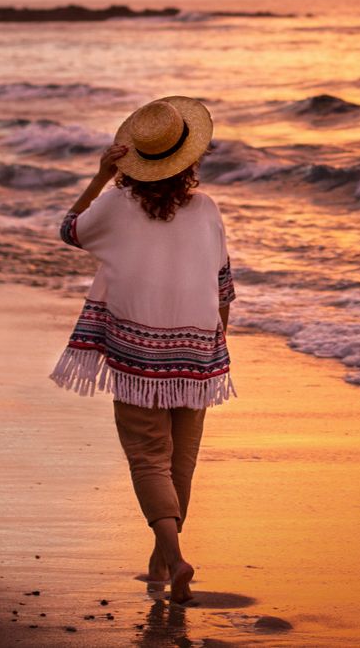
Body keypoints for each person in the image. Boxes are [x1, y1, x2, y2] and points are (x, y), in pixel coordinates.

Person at [49, 96, 236, 607]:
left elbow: (69, 230)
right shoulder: (206, 209)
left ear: (133, 162)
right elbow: (223, 285)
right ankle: (161, 559)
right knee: (182, 462)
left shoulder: (114, 205)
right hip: (198, 350)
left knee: (149, 460)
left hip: (138, 350)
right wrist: (217, 347)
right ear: (188, 160)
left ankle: (173, 559)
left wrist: (98, 177)